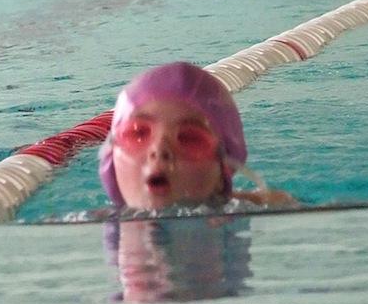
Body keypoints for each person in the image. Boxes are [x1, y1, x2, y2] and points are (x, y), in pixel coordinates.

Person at [98, 61, 297, 211]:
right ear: (111, 159)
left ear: (223, 168)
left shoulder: (265, 209)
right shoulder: (90, 225)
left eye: (189, 138)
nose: (159, 149)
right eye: (138, 133)